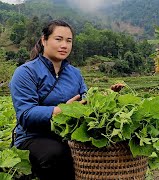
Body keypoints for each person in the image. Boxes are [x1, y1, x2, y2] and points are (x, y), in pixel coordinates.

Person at [9, 19, 124, 180]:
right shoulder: (25, 72)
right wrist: (62, 110)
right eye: (58, 39)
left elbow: (86, 100)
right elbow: (26, 114)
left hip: (69, 134)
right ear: (44, 40)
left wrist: (107, 96)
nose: (64, 45)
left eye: (68, 41)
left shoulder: (75, 74)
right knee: (56, 153)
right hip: (33, 137)